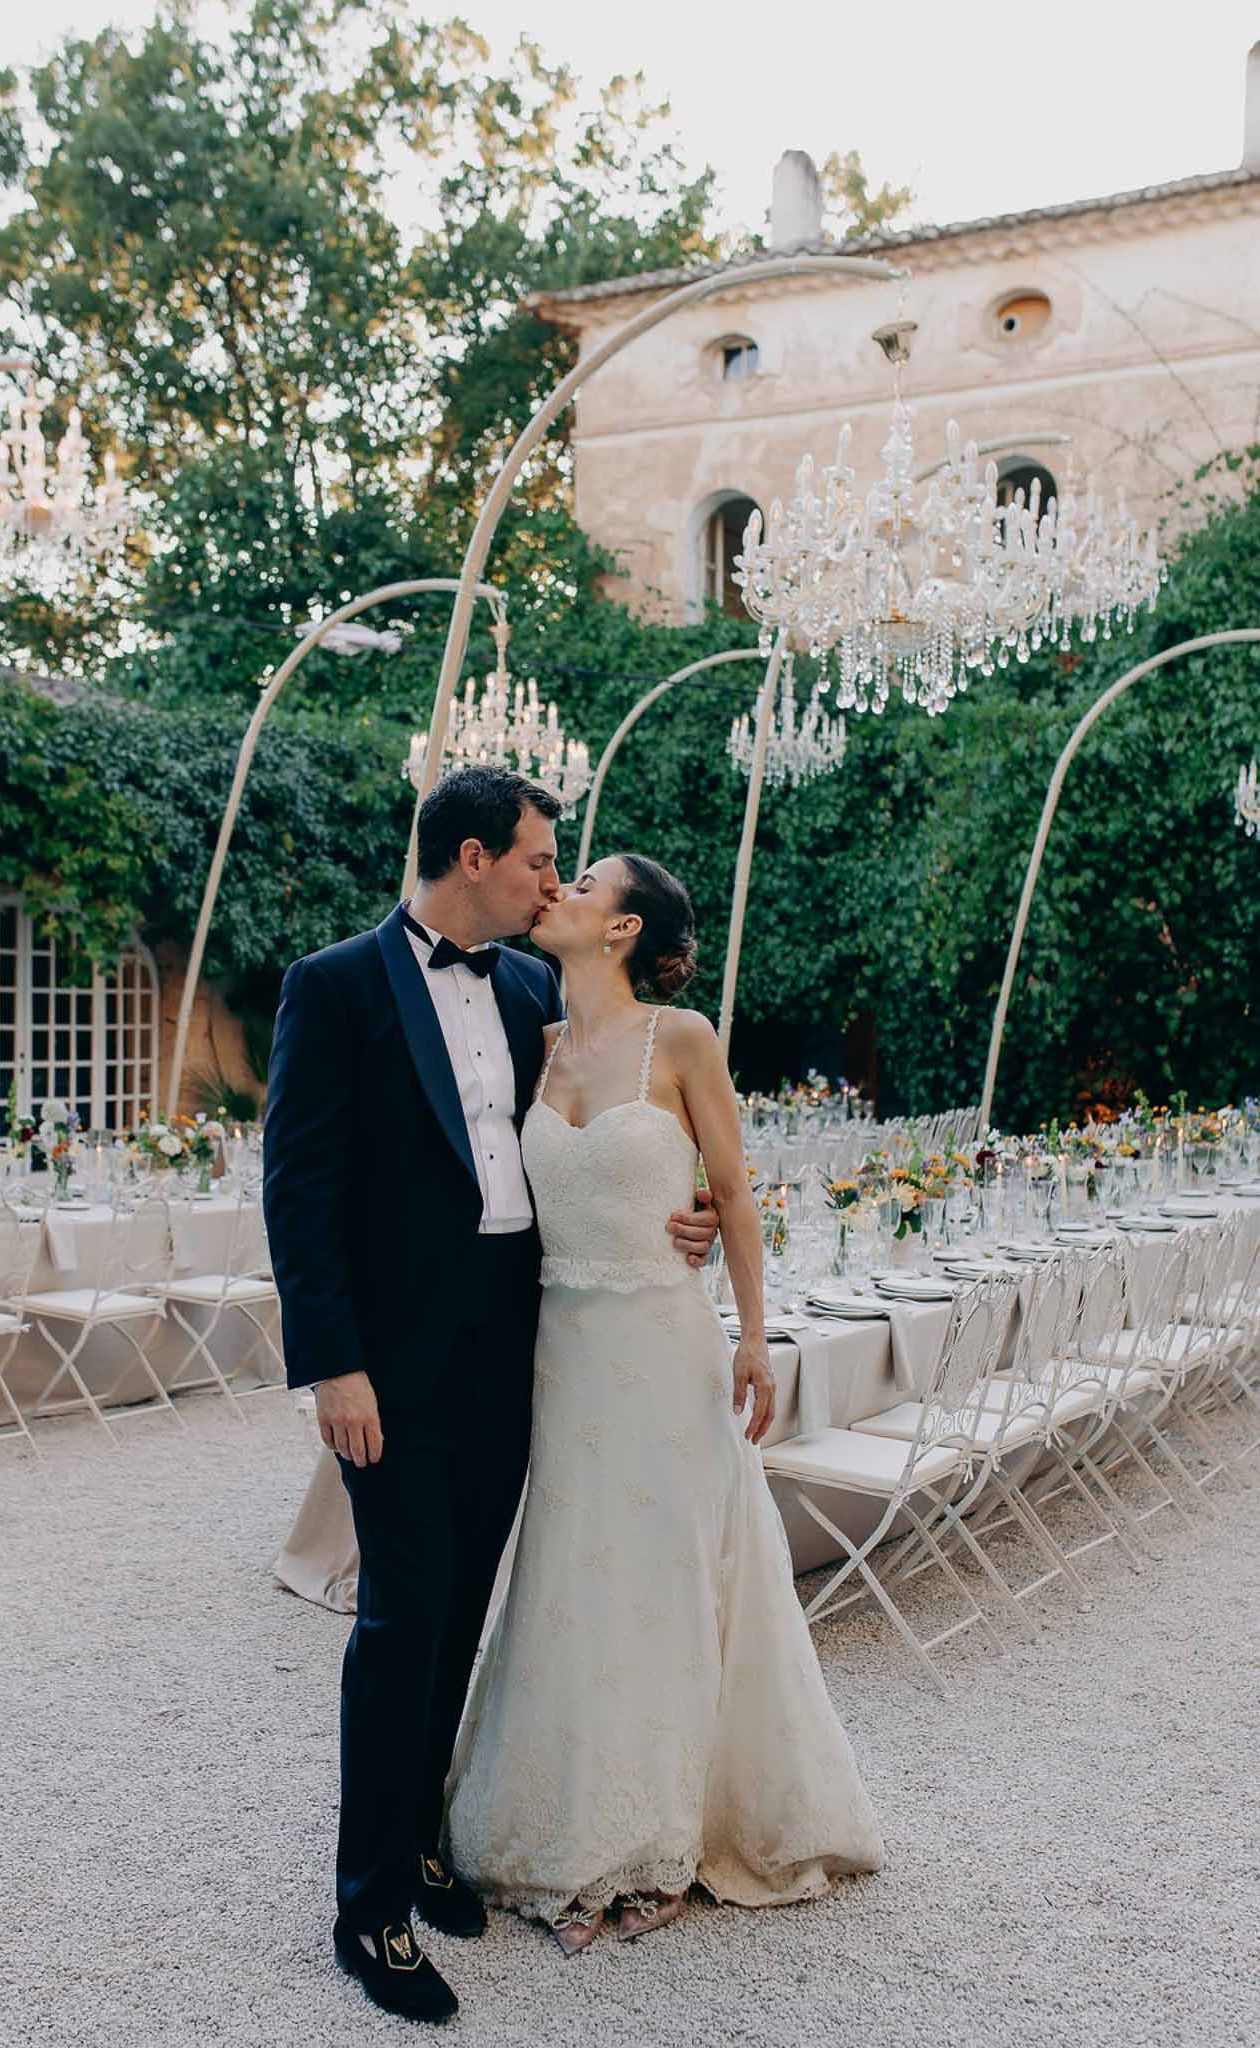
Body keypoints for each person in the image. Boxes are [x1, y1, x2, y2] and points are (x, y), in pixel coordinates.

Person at [261, 769, 719, 2024]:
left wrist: (678, 1216)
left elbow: (611, 1120)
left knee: (460, 1606)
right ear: (473, 856)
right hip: (389, 1370)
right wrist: (332, 1361)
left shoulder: (532, 993)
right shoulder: (333, 984)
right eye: (536, 861)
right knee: (401, 1615)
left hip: (520, 1353)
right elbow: (298, 1190)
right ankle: (368, 1907)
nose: (548, 882)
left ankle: (419, 1839)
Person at [445, 852, 885, 1949]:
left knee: (670, 1573)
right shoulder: (529, 1044)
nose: (559, 887)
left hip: (665, 1343)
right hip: (564, 1350)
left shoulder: (681, 1038)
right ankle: (574, 1824)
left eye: (581, 881)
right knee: (571, 1572)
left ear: (623, 927)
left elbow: (732, 1190)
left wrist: (753, 1336)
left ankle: (661, 1838)